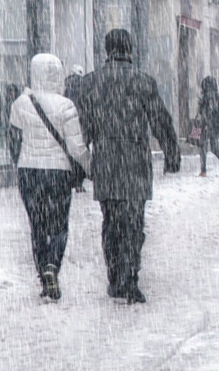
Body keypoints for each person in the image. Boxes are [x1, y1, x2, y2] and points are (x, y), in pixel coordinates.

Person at [76, 29, 181, 305]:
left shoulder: (91, 83)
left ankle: (115, 276)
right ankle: (130, 278)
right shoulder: (143, 82)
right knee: (133, 223)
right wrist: (171, 153)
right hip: (135, 162)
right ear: (130, 49)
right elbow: (161, 120)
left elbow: (83, 129)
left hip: (107, 162)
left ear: (106, 50)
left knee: (111, 220)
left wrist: (78, 165)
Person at [9, 54, 90, 300]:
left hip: (29, 172)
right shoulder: (66, 105)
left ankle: (43, 272)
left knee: (37, 226)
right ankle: (52, 267)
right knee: (58, 226)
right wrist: (89, 166)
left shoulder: (21, 103)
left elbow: (13, 141)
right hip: (59, 173)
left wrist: (21, 163)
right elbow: (76, 147)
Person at [196, 77, 219, 177]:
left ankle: (203, 170)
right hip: (215, 124)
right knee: (214, 148)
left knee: (203, 147)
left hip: (205, 124)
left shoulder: (204, 97)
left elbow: (201, 112)